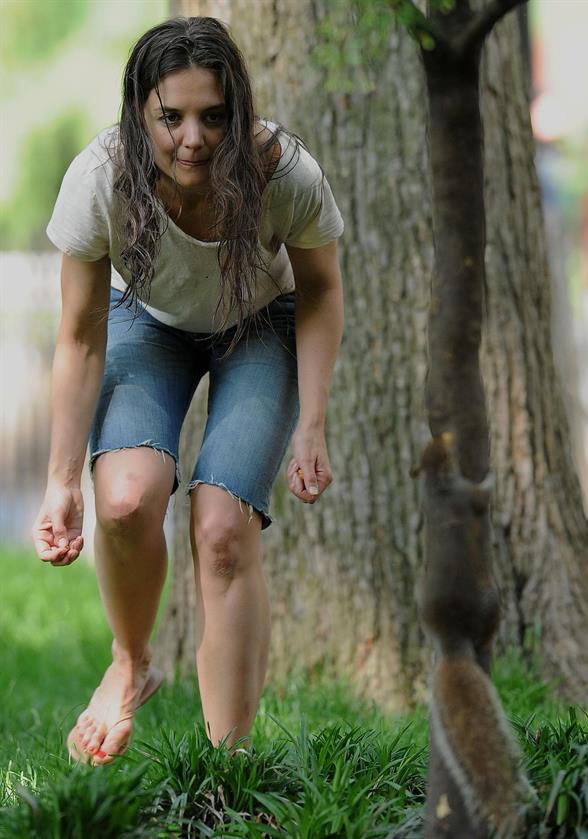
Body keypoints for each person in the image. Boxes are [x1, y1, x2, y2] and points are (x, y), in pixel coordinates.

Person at [31, 16, 344, 766]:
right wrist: (59, 479)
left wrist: (312, 425)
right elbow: (78, 336)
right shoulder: (99, 177)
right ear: (140, 112)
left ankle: (226, 772)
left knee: (221, 528)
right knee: (128, 498)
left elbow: (323, 292)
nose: (193, 138)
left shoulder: (284, 173)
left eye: (213, 115)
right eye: (171, 117)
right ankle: (131, 661)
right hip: (147, 321)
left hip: (258, 323)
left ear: (237, 111)